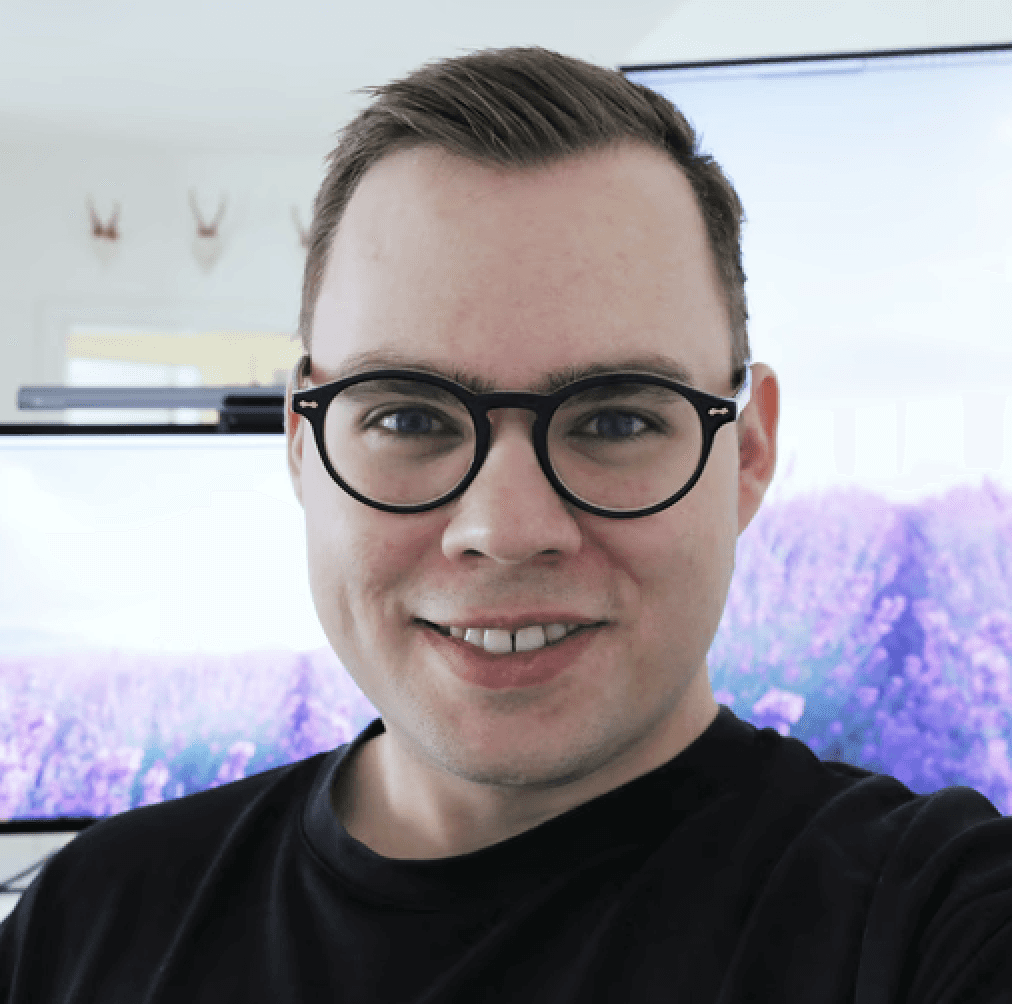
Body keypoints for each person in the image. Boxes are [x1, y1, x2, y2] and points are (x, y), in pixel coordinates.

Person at [2, 45, 1010, 1003]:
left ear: (745, 454)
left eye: (616, 418)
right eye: (408, 416)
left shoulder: (932, 923)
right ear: (301, 441)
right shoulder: (85, 921)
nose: (505, 526)